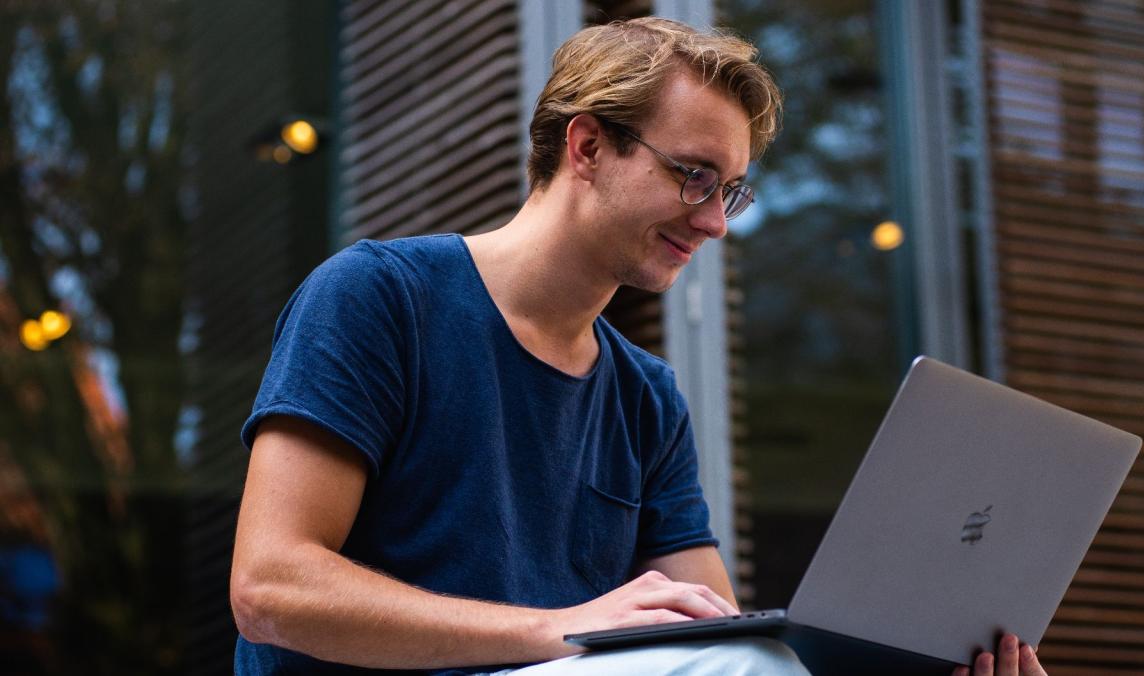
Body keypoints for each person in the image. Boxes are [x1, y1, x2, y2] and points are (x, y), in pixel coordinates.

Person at [230, 16, 1048, 676]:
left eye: (730, 191)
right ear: (587, 147)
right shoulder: (380, 297)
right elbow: (270, 588)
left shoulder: (646, 397)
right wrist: (562, 630)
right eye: (694, 176)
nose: (716, 221)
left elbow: (715, 631)